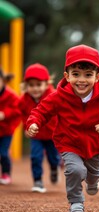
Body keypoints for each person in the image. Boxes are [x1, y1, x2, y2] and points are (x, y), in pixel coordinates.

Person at [26, 45, 99, 212]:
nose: (82, 80)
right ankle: (76, 204)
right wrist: (34, 122)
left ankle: (94, 178)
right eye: (76, 74)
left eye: (88, 75)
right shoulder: (59, 96)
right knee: (75, 170)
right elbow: (41, 110)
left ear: (98, 77)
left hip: (95, 144)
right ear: (67, 76)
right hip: (69, 142)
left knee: (92, 173)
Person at [19, 63, 60, 193]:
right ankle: (38, 180)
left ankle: (54, 168)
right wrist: (26, 127)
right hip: (36, 135)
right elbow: (24, 115)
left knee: (53, 157)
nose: (35, 88)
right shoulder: (24, 100)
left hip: (52, 134)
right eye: (31, 85)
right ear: (26, 86)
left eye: (39, 85)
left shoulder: (54, 97)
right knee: (35, 156)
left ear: (47, 83)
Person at [0, 68, 21, 184]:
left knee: (3, 153)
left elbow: (18, 110)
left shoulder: (11, 95)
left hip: (6, 130)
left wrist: (4, 114)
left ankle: (6, 173)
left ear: (3, 81)